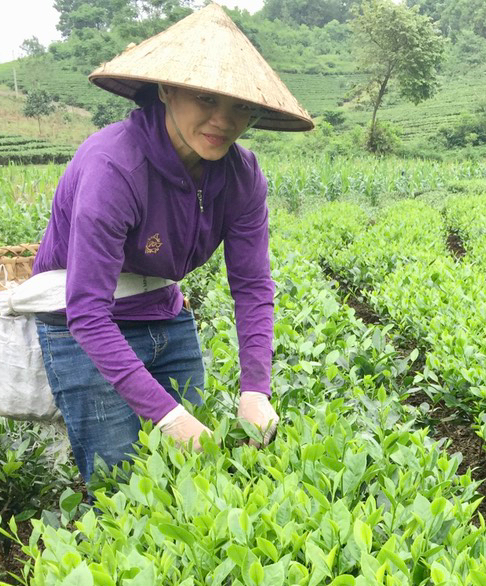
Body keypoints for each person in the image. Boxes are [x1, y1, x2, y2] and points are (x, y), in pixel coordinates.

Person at [29, 3, 314, 485]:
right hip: (83, 329)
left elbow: (252, 286)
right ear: (166, 88)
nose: (223, 120)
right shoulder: (113, 167)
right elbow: (87, 313)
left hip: (165, 314)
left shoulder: (242, 176)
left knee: (194, 476)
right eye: (206, 98)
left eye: (241, 106)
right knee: (122, 481)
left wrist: (256, 389)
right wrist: (168, 417)